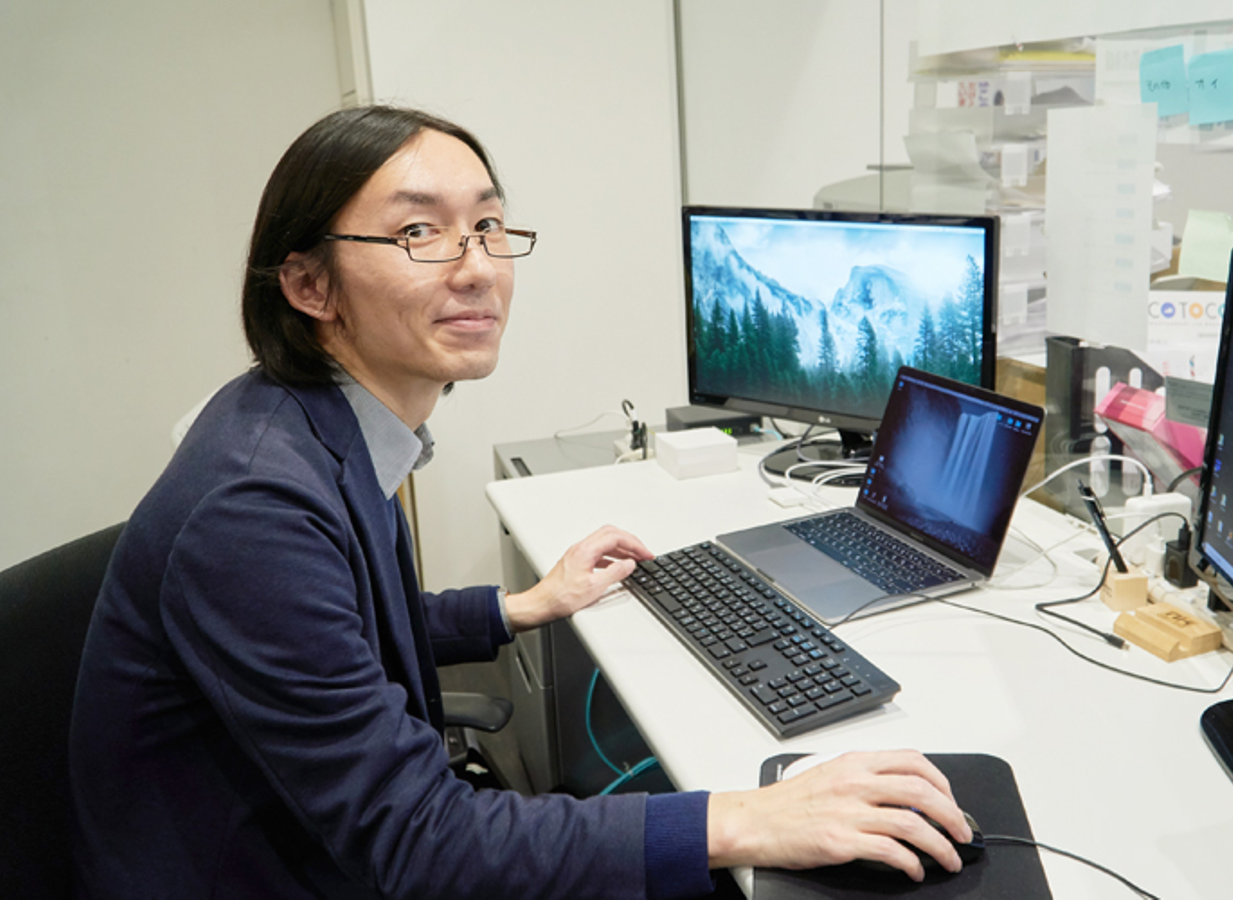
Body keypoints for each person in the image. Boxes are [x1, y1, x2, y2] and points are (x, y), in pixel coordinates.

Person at [68, 104, 974, 899]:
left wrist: (519, 606)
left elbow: (346, 628)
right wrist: (746, 818)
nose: (478, 268)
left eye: (489, 226)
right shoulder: (255, 507)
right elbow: (420, 843)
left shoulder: (311, 425)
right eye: (419, 233)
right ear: (309, 286)